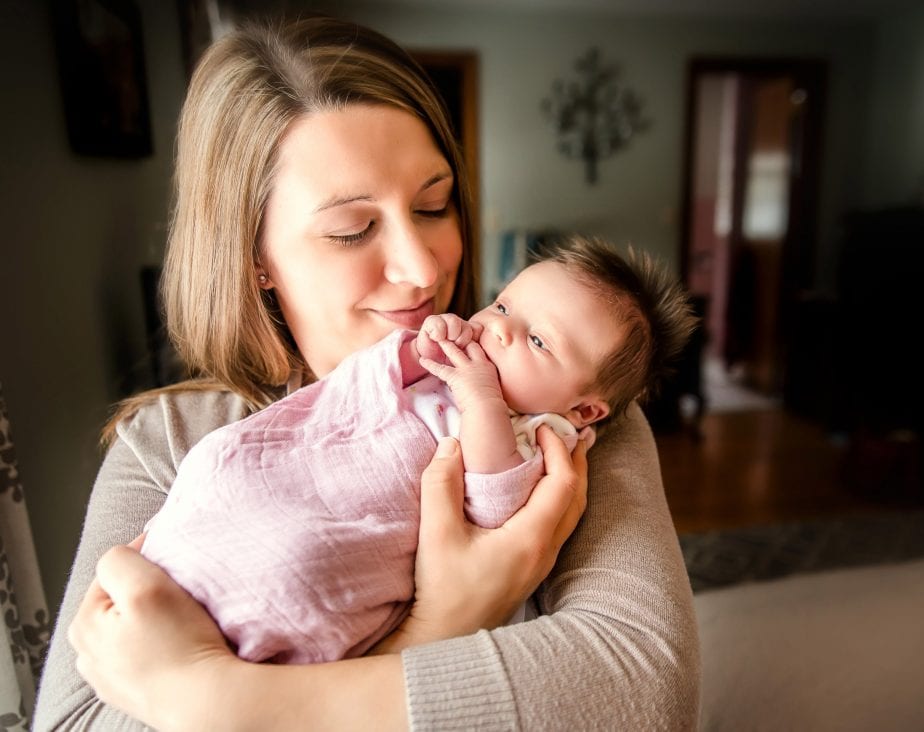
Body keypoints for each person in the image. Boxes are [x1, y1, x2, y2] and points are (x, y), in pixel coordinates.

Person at [33, 16, 701, 730]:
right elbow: (74, 721)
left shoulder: (565, 420)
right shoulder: (164, 441)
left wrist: (216, 700)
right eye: (352, 229)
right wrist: (434, 628)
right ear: (253, 254)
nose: (424, 270)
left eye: (434, 205)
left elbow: (644, 689)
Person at [139, 235, 695, 665]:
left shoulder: (541, 434)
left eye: (539, 340)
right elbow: (365, 386)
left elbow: (494, 509)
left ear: (585, 409)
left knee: (297, 572)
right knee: (222, 463)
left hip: (340, 539)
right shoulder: (157, 433)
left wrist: (478, 398)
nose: (497, 330)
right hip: (295, 476)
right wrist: (420, 348)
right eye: (502, 307)